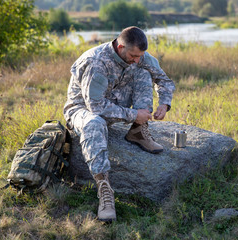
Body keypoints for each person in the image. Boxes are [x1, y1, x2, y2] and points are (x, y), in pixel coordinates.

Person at [63, 26, 175, 222]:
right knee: (95, 123)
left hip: (113, 103)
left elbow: (164, 80)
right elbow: (95, 107)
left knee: (143, 73)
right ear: (120, 46)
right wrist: (133, 114)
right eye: (133, 55)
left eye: (140, 55)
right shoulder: (96, 61)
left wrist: (164, 103)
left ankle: (139, 131)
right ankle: (104, 191)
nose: (137, 59)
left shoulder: (139, 57)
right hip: (83, 109)